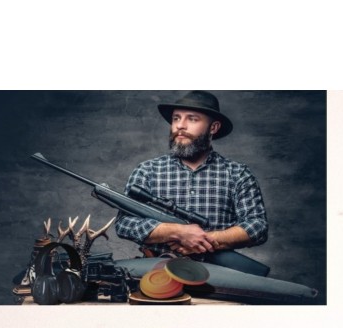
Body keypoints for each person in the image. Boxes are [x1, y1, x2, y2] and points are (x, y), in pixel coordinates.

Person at [114, 92, 268, 257]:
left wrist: (204, 240)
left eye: (192, 119)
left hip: (216, 271)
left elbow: (257, 226)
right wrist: (177, 232)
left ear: (213, 127)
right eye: (176, 118)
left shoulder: (238, 174)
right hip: (157, 269)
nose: (180, 126)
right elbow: (124, 224)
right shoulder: (147, 170)